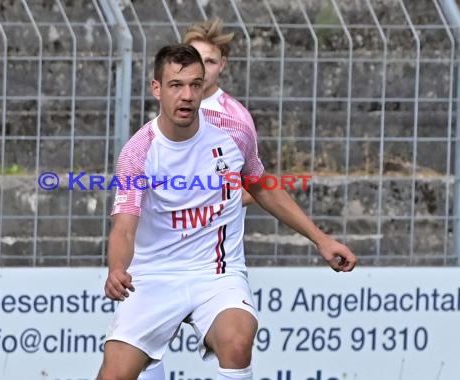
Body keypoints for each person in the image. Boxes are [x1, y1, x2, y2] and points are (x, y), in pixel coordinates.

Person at [96, 44, 357, 380]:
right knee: (115, 374)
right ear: (157, 88)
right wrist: (117, 268)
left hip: (216, 273)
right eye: (176, 85)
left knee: (237, 340)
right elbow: (124, 227)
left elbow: (262, 186)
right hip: (155, 276)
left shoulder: (233, 132)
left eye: (195, 84)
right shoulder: (138, 152)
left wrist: (320, 239)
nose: (187, 95)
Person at [138, 18, 258, 380]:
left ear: (222, 65)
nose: (201, 69)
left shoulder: (234, 119)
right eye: (194, 58)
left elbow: (254, 183)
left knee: (235, 342)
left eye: (209, 61)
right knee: (143, 351)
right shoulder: (167, 111)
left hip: (209, 257)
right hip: (160, 251)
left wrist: (207, 202)